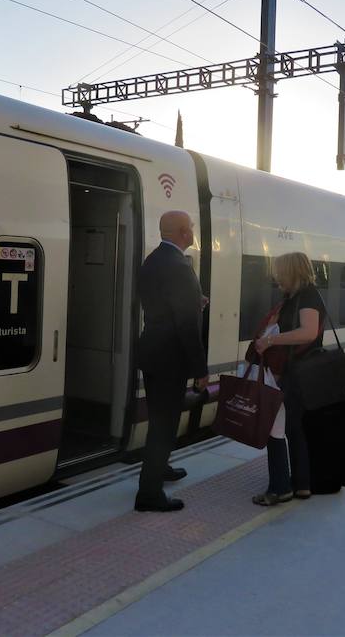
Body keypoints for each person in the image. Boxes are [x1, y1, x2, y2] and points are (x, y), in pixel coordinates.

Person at [135, 211, 208, 512]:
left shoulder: (153, 260)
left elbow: (161, 305)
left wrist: (193, 302)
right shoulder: (179, 266)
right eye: (190, 227)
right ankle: (149, 495)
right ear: (182, 232)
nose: (192, 231)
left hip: (152, 353)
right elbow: (186, 326)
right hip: (170, 359)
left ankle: (161, 467)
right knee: (164, 426)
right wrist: (200, 370)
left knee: (159, 418)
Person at [252, 252, 325, 505]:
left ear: (291, 271)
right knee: (295, 427)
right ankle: (302, 484)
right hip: (295, 372)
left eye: (279, 271)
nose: (276, 276)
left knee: (275, 428)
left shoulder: (307, 296)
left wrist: (270, 340)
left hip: (297, 373)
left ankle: (280, 488)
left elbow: (308, 332)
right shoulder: (292, 297)